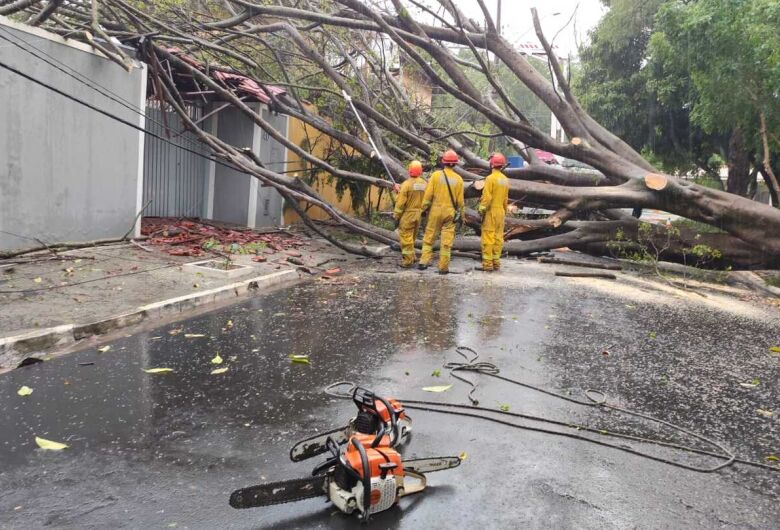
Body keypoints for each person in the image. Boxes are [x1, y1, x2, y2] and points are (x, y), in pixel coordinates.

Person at [419, 149, 465, 275]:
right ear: (455, 163)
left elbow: (428, 196)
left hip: (435, 211)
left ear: (443, 162)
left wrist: (423, 210)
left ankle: (423, 262)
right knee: (446, 242)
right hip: (450, 212)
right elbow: (461, 202)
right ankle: (443, 267)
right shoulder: (459, 179)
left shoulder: (436, 176)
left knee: (429, 238)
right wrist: (463, 216)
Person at [477, 152, 510, 271]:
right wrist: (504, 211)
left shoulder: (490, 179)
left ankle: (487, 264)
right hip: (501, 211)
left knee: (488, 237)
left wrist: (481, 209)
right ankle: (496, 262)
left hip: (491, 211)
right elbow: (506, 199)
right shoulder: (505, 180)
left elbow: (487, 198)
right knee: (498, 238)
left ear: (492, 164)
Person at [393, 160, 427, 268]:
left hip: (408, 214)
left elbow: (400, 203)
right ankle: (412, 256)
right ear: (421, 171)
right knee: (412, 237)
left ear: (409, 170)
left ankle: (407, 261)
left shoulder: (406, 184)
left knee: (406, 237)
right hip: (418, 214)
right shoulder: (424, 184)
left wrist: (396, 216)